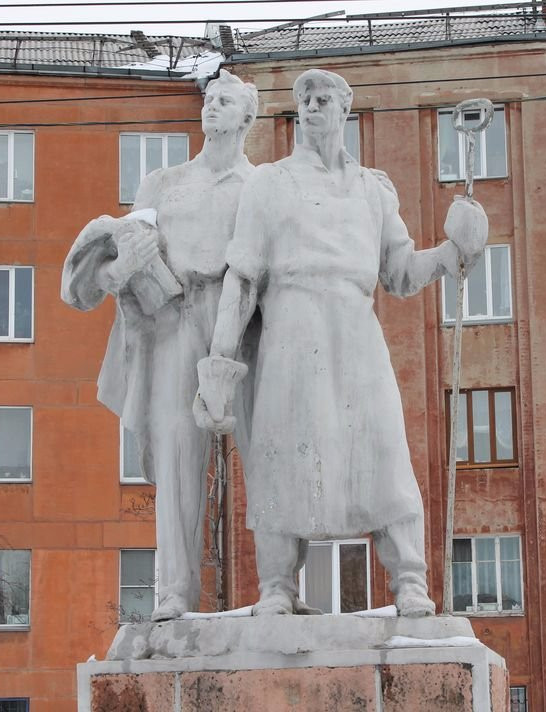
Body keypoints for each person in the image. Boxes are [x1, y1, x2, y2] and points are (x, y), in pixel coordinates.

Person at [193, 68, 488, 617]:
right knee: (282, 454)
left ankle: (409, 582)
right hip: (290, 326)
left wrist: (454, 254)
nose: (312, 107)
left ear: (345, 108)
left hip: (355, 327)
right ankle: (278, 586)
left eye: (324, 98)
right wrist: (219, 361)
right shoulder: (270, 182)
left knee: (382, 449)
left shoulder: (372, 188)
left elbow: (399, 272)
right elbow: (242, 276)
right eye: (304, 99)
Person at [62, 70, 258, 622]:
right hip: (175, 317)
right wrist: (120, 268)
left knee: (261, 444)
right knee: (177, 451)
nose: (210, 107)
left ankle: (277, 586)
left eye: (224, 101)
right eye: (208, 100)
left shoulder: (259, 185)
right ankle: (175, 592)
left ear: (247, 116)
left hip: (242, 318)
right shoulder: (164, 182)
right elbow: (122, 255)